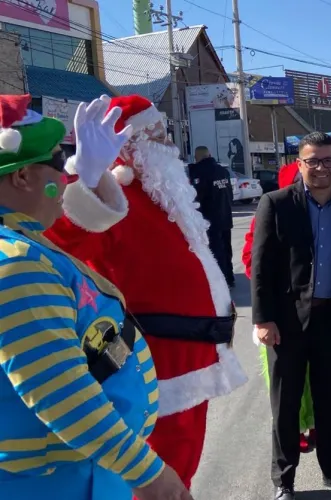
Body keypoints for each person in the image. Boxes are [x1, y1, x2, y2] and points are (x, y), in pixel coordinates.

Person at [45, 94, 247, 492]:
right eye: (154, 133)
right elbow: (61, 243)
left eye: (163, 131)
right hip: (154, 365)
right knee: (156, 474)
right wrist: (86, 180)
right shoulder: (114, 198)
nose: (167, 142)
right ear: (127, 145)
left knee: (184, 464)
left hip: (193, 359)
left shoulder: (163, 194)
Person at [0, 93, 191, 499]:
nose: (65, 179)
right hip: (58, 483)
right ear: (22, 177)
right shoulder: (15, 263)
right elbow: (59, 390)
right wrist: (149, 474)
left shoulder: (23, 243)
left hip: (82, 472)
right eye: (59, 163)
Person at [251, 132, 331, 500]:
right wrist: (263, 319)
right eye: (313, 161)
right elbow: (261, 266)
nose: (321, 168)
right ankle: (283, 481)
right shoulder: (276, 203)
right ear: (300, 164)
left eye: (328, 160)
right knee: (285, 404)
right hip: (286, 322)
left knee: (328, 401)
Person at [243, 159, 317, 454]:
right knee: (285, 383)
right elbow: (252, 261)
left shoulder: (322, 211)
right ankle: (293, 429)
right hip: (278, 312)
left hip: (315, 312)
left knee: (315, 376)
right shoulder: (272, 209)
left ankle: (314, 422)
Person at [189, 146, 235, 287]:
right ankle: (230, 277)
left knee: (216, 250)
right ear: (210, 154)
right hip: (225, 215)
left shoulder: (199, 172)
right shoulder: (223, 171)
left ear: (197, 158)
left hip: (209, 219)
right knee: (226, 248)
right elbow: (230, 194)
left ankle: (222, 281)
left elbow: (196, 197)